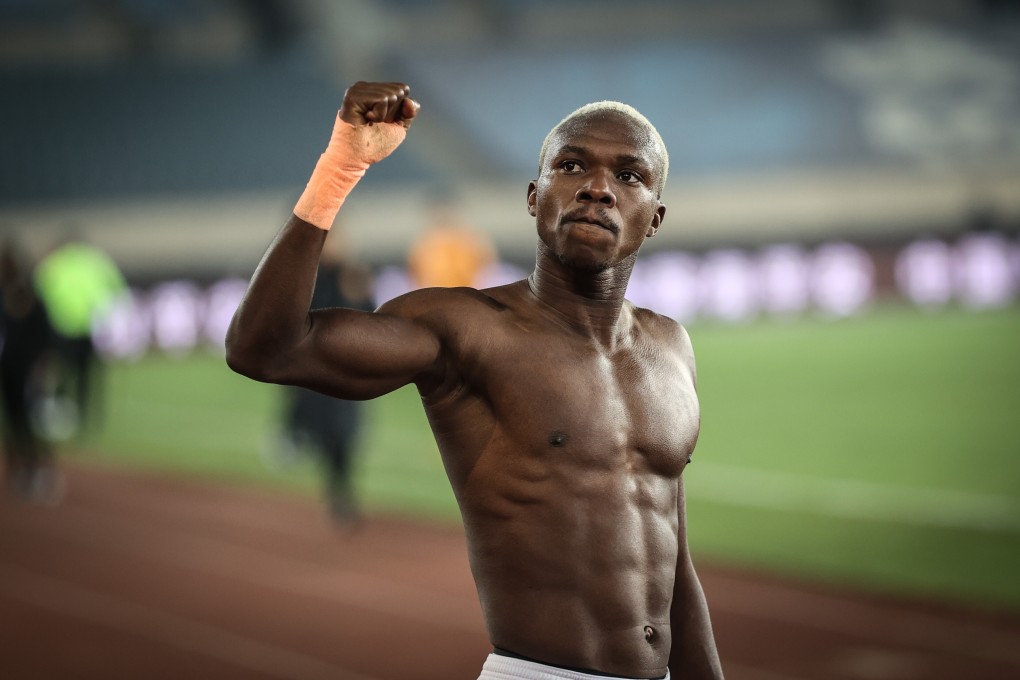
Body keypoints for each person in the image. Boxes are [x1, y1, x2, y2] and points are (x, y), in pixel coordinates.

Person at [227, 81, 723, 680]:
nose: (597, 188)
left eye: (628, 175)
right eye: (572, 166)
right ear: (535, 197)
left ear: (655, 218)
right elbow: (266, 350)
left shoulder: (671, 347)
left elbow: (676, 568)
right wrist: (340, 167)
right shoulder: (465, 329)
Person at [280, 243, 374, 526]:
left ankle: (340, 493)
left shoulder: (350, 273)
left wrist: (357, 293)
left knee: (344, 435)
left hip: (345, 372)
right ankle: (294, 434)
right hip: (314, 373)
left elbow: (369, 317)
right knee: (325, 433)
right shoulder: (305, 276)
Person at [0, 240, 60, 502]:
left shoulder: (29, 294)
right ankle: (19, 471)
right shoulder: (7, 294)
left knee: (30, 420)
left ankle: (38, 469)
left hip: (25, 368)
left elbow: (43, 333)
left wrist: (41, 365)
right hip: (9, 368)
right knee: (14, 421)